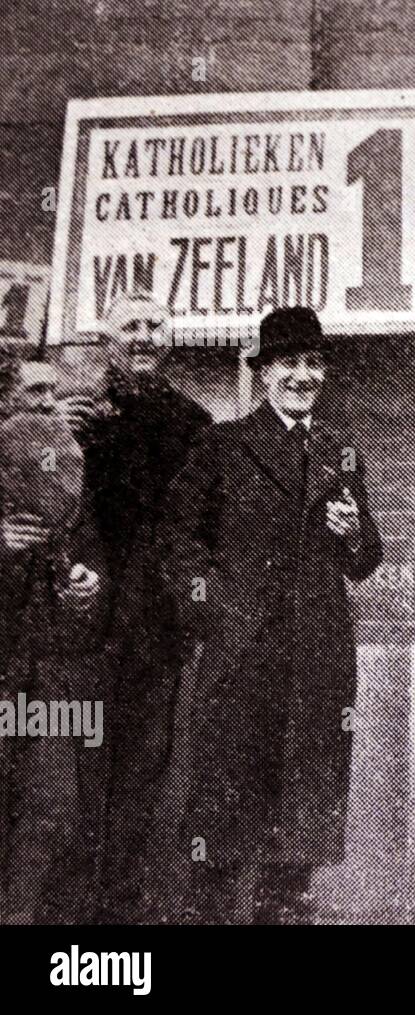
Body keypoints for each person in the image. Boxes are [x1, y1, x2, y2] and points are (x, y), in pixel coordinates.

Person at [159, 306, 381, 923]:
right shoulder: (224, 444)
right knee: (227, 832)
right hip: (244, 659)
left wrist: (354, 532)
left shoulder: (340, 453)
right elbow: (177, 538)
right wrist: (213, 607)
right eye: (288, 364)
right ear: (263, 373)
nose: (302, 376)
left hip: (316, 660)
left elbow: (365, 561)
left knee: (301, 834)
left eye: (313, 363)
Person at [57, 292, 213, 922]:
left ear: (170, 341)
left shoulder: (192, 425)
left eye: (156, 325)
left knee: (142, 775)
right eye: (132, 326)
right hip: (78, 623)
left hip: (154, 629)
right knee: (69, 770)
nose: (145, 335)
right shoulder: (73, 418)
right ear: (109, 338)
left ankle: (121, 913)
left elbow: (205, 529)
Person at [0, 357, 102, 922]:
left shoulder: (69, 471)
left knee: (51, 810)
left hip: (49, 676)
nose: (48, 403)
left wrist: (83, 583)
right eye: (36, 391)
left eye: (58, 393)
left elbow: (87, 555)